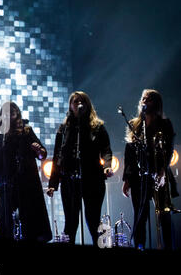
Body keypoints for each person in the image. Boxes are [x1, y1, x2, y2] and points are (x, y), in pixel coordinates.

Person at [47, 91, 113, 246]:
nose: (78, 104)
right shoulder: (63, 129)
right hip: (70, 179)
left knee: (93, 220)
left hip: (93, 179)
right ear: (70, 106)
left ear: (87, 104)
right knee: (70, 222)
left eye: (81, 101)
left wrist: (107, 166)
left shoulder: (97, 127)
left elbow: (106, 149)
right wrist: (53, 183)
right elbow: (58, 156)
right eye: (75, 101)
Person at [122, 89, 179, 250]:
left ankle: (169, 247)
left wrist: (162, 172)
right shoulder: (135, 124)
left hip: (157, 173)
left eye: (148, 99)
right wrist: (126, 179)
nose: (144, 101)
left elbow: (169, 150)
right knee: (140, 216)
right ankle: (140, 246)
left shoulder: (164, 124)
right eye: (143, 98)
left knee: (164, 215)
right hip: (138, 176)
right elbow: (129, 153)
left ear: (156, 103)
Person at [0, 101, 52, 242]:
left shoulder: (27, 131)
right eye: (6, 113)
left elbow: (43, 155)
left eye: (12, 112)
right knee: (6, 222)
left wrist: (38, 150)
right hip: (6, 186)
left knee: (31, 222)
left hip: (27, 184)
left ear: (17, 114)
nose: (9, 116)